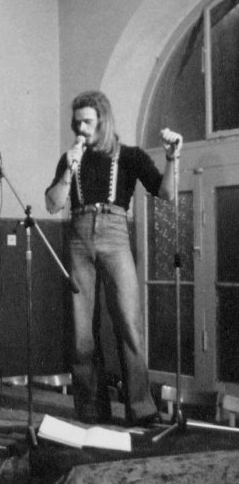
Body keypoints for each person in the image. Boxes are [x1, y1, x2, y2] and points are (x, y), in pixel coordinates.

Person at [45, 90, 182, 427]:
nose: (80, 129)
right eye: (76, 123)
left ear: (103, 121)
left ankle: (141, 409)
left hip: (115, 233)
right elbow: (53, 203)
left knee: (129, 323)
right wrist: (68, 171)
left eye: (87, 122)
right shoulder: (69, 158)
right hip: (78, 236)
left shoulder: (130, 156)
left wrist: (172, 158)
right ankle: (91, 410)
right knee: (81, 331)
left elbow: (166, 193)